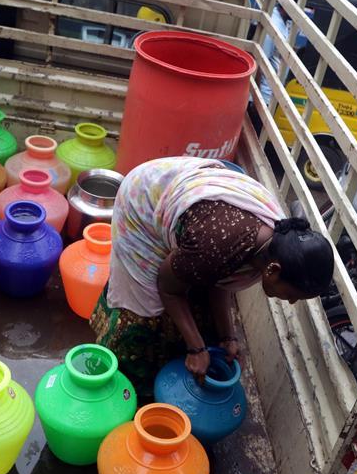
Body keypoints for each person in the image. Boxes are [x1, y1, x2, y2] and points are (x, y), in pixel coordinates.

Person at [90, 157, 335, 398]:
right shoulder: (217, 244)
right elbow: (168, 287)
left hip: (193, 202)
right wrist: (196, 348)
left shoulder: (278, 240)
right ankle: (120, 380)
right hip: (144, 199)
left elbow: (220, 275)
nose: (290, 302)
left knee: (197, 305)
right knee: (145, 310)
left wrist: (227, 336)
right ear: (273, 270)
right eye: (292, 295)